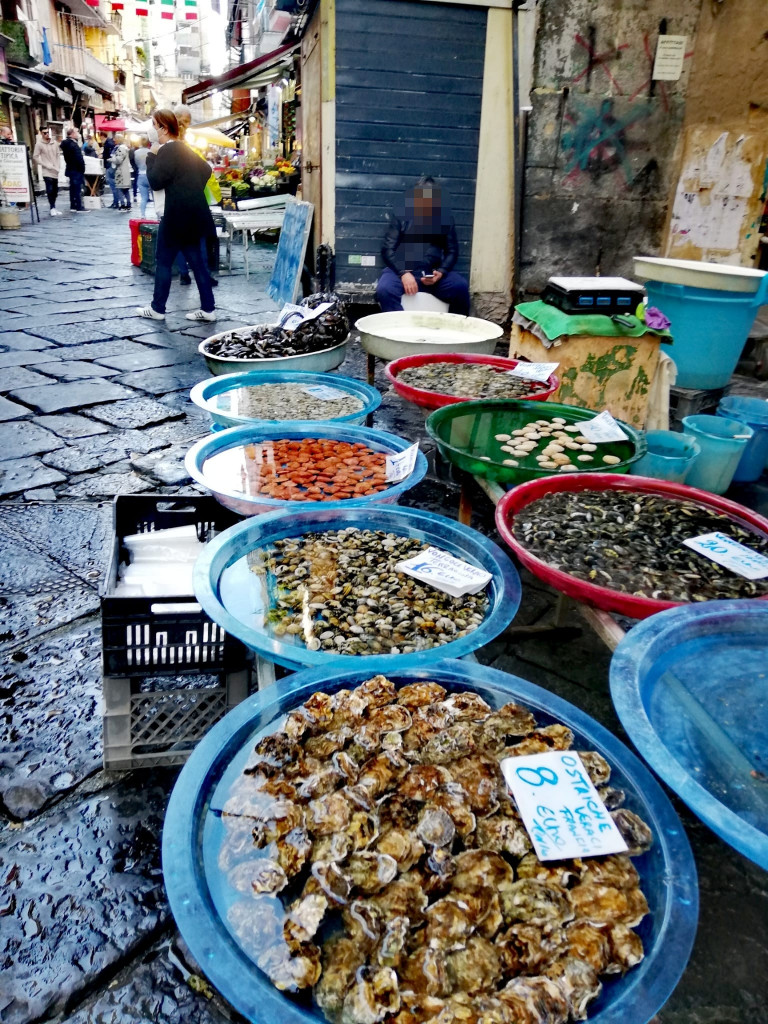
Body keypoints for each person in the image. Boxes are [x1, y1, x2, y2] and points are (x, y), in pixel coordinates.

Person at [136, 108, 216, 323]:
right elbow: (206, 170)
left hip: (175, 216)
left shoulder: (167, 150)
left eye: (153, 124)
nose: (151, 129)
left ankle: (157, 308)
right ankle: (208, 308)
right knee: (198, 263)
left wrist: (151, 155)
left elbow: (155, 180)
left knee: (163, 260)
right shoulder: (184, 149)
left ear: (162, 127)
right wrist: (190, 190)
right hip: (192, 214)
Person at [375, 175, 470, 315]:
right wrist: (404, 273)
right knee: (385, 289)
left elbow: (452, 251)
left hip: (431, 274)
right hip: (401, 270)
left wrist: (441, 272)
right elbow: (388, 249)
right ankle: (400, 329)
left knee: (460, 287)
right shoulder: (401, 216)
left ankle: (455, 331)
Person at [173, 103, 219, 287]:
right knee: (195, 239)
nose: (185, 125)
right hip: (188, 198)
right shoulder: (182, 145)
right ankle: (199, 275)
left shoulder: (173, 144)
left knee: (188, 238)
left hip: (183, 199)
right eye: (184, 121)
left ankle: (191, 274)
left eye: (187, 122)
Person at [33, 127, 62, 217]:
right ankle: (52, 207)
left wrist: (58, 165)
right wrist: (44, 164)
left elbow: (58, 155)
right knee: (50, 189)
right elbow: (35, 156)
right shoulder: (39, 144)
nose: (46, 134)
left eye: (47, 132)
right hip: (46, 171)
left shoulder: (55, 143)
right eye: (44, 133)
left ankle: (54, 206)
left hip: (55, 170)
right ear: (41, 133)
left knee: (55, 190)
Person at [60, 128, 86, 213]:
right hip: (76, 169)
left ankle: (73, 205)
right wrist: (82, 168)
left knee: (73, 188)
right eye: (76, 132)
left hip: (71, 168)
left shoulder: (66, 144)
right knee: (77, 188)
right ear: (71, 134)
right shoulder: (73, 145)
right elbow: (78, 157)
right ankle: (78, 206)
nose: (78, 134)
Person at [111, 133, 132, 211]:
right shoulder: (125, 147)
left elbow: (118, 160)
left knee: (119, 188)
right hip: (126, 171)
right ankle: (129, 204)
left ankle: (123, 204)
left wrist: (111, 159)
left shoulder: (120, 148)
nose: (114, 140)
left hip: (121, 172)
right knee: (126, 189)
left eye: (115, 138)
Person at [134, 136, 152, 217]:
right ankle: (159, 216)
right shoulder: (151, 152)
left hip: (141, 175)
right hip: (150, 175)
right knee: (155, 197)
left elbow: (136, 163)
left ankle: (143, 215)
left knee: (143, 197)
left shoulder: (136, 152)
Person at [102, 133, 119, 208]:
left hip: (110, 166)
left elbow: (109, 155)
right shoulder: (111, 144)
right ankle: (116, 201)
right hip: (111, 166)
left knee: (112, 184)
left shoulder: (108, 144)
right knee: (113, 184)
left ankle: (116, 202)